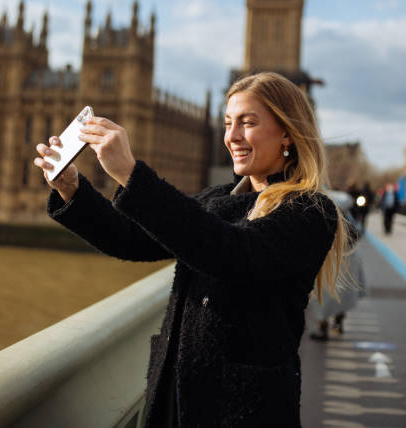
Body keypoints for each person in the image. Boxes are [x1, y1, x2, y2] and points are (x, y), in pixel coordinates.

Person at [34, 71, 350, 428]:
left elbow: (233, 254)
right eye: (228, 122)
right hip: (175, 398)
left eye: (247, 123)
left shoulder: (310, 210)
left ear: (288, 134)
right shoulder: (219, 198)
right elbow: (132, 239)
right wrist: (71, 190)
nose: (232, 136)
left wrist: (132, 174)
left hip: (243, 408)